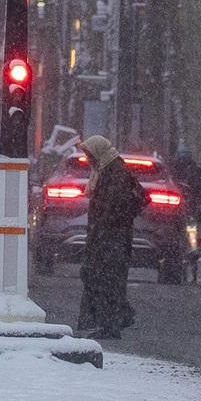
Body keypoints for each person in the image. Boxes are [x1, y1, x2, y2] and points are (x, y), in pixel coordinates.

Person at [75, 133, 141, 340]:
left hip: (111, 238)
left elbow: (114, 206)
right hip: (105, 236)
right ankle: (116, 317)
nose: (87, 160)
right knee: (99, 276)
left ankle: (111, 321)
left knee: (102, 277)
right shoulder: (106, 170)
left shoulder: (115, 172)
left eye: (89, 155)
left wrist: (104, 227)